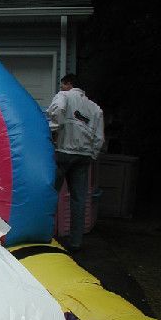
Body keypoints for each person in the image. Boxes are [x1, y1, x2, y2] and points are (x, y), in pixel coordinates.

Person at [47, 73, 104, 252]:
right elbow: (99, 138)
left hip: (64, 152)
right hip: (84, 156)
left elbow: (56, 111)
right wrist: (92, 154)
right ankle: (76, 242)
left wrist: (54, 128)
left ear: (69, 83)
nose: (61, 87)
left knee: (50, 195)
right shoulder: (95, 108)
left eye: (63, 84)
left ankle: (45, 235)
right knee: (79, 200)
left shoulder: (64, 96)